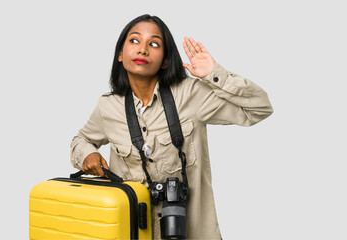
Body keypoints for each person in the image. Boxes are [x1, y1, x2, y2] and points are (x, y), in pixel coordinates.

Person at [70, 14, 273, 239]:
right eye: (134, 41)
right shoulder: (108, 106)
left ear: (165, 60)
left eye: (154, 44)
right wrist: (88, 154)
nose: (143, 49)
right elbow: (81, 140)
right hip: (131, 232)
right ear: (120, 54)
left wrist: (214, 74)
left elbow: (259, 109)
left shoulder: (190, 93)